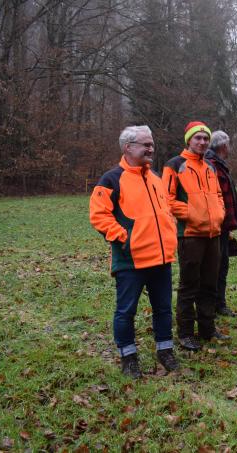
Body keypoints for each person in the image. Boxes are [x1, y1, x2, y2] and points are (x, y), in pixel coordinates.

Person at [89, 125, 180, 378]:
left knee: (163, 308)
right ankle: (128, 357)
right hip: (131, 260)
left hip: (161, 258)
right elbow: (98, 216)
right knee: (126, 310)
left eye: (151, 144)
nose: (151, 148)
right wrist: (123, 238)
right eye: (145, 144)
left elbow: (166, 213)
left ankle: (165, 350)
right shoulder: (111, 179)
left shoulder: (156, 178)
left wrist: (170, 234)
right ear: (128, 147)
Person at [162, 121, 226, 351]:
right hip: (189, 234)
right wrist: (192, 214)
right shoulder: (174, 165)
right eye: (197, 138)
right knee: (189, 285)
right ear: (189, 139)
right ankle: (186, 333)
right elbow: (167, 200)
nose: (202, 142)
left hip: (213, 233)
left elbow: (218, 194)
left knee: (210, 283)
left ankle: (208, 329)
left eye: (205, 138)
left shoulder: (210, 166)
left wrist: (218, 214)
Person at [205, 131, 237, 317]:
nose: (229, 147)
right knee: (215, 268)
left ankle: (219, 304)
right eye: (228, 144)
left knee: (222, 266)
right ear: (223, 146)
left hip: (222, 226)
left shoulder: (219, 165)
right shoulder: (211, 166)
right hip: (214, 227)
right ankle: (213, 305)